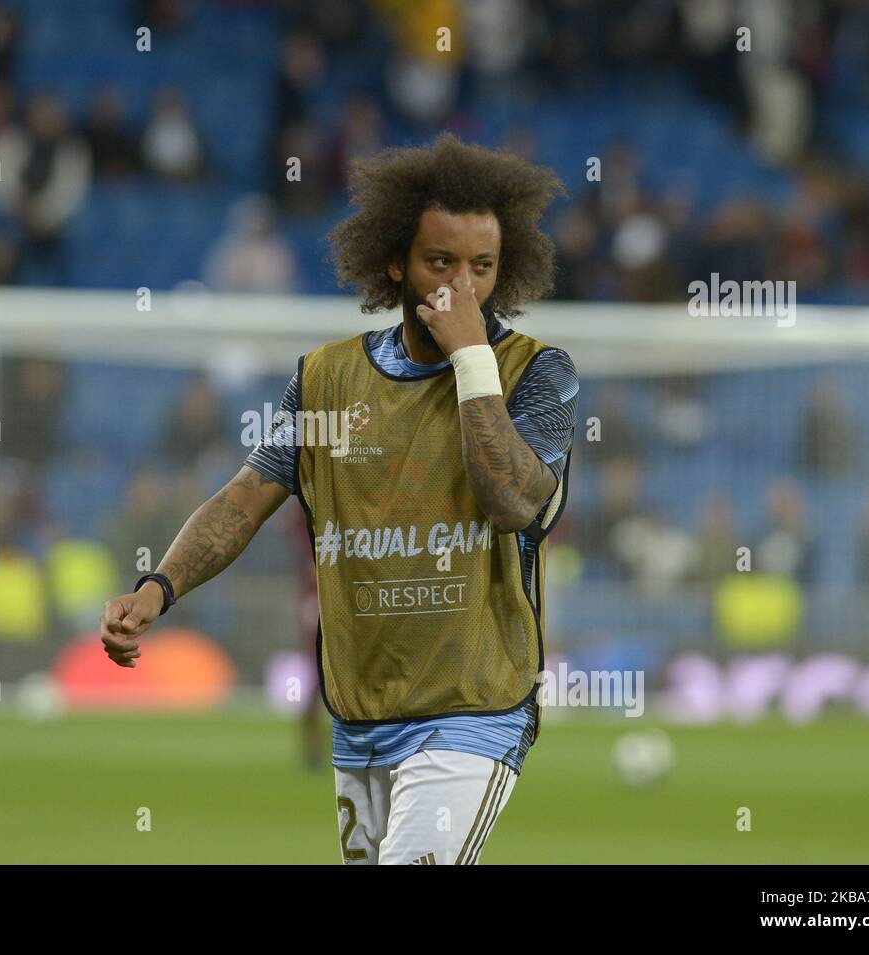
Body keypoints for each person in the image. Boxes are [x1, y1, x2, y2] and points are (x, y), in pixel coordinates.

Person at [99, 134, 578, 865]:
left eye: (482, 267)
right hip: (360, 719)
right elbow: (245, 498)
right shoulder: (326, 380)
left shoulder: (535, 375)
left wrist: (471, 357)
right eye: (440, 262)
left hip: (475, 710)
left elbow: (512, 499)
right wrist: (159, 588)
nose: (462, 288)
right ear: (395, 262)